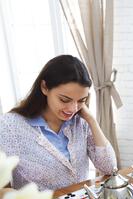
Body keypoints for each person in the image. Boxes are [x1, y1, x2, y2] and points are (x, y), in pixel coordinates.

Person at [0, 55, 116, 191]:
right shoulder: (10, 127)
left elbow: (109, 168)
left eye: (81, 100)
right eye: (64, 100)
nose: (73, 109)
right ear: (44, 87)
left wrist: (92, 120)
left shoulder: (81, 122)